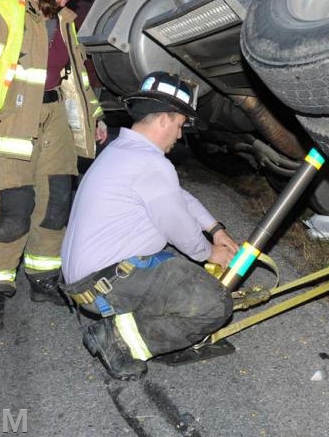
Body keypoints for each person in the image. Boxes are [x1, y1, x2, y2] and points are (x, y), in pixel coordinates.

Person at [0, 0, 107, 331]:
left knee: (57, 198)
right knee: (14, 205)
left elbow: (77, 74)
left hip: (54, 116)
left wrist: (94, 115)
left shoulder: (64, 20)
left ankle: (43, 277)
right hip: (10, 119)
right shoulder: (3, 10)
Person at [60, 72, 239, 380]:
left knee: (174, 267)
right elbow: (178, 227)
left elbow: (177, 198)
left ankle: (133, 323)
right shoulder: (151, 164)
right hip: (105, 284)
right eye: (180, 125)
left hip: (88, 279)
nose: (180, 136)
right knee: (214, 303)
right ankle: (117, 339)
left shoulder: (122, 151)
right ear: (164, 120)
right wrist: (210, 252)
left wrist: (215, 228)